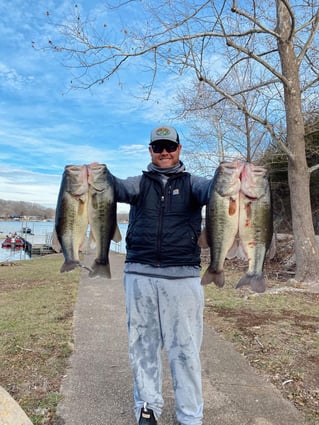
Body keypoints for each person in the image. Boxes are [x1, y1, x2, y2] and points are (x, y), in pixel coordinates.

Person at [113, 126, 212, 425]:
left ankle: (190, 416)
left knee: (185, 349)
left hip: (183, 277)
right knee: (142, 346)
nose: (164, 152)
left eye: (170, 146)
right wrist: (98, 176)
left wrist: (229, 177)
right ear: (150, 151)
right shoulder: (139, 184)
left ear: (179, 149)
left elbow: (213, 191)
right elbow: (115, 187)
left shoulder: (194, 184)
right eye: (158, 147)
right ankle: (147, 408)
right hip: (139, 274)